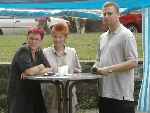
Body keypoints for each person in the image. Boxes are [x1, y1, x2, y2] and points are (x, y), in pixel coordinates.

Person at [91, 2, 138, 113]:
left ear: (118, 14)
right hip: (104, 93)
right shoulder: (102, 37)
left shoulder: (127, 35)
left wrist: (109, 69)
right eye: (104, 14)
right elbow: (99, 59)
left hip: (121, 96)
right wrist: (94, 67)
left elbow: (133, 62)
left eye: (110, 13)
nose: (106, 16)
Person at [7, 26, 54, 113]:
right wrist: (40, 67)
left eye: (36, 39)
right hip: (19, 93)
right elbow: (30, 71)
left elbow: (49, 68)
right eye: (31, 38)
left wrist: (33, 71)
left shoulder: (39, 51)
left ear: (41, 40)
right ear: (27, 38)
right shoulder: (23, 51)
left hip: (33, 92)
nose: (33, 42)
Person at [42, 23, 82, 113]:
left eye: (60, 37)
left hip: (68, 95)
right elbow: (40, 71)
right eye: (55, 36)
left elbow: (79, 69)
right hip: (51, 96)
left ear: (65, 38)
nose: (57, 40)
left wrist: (76, 71)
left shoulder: (72, 52)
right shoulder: (45, 52)